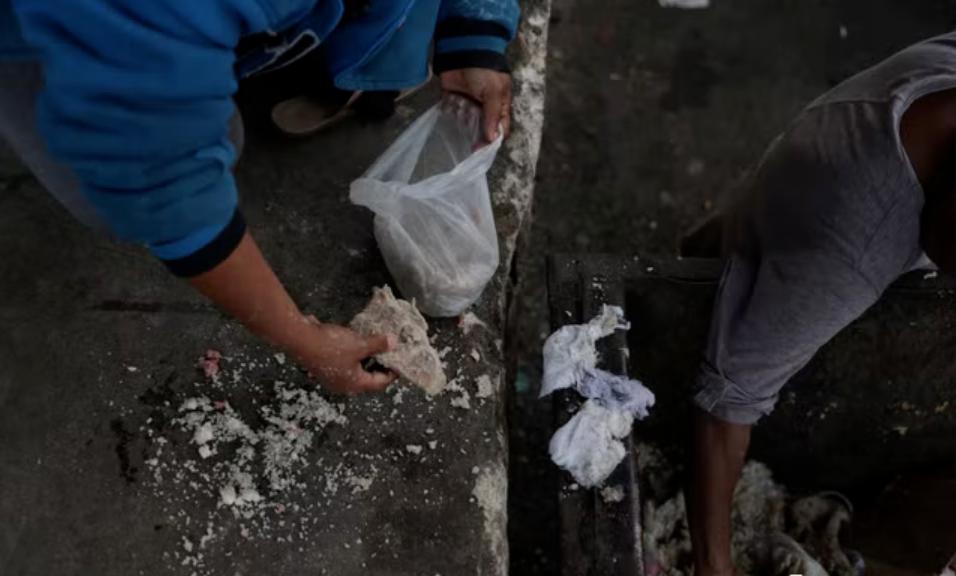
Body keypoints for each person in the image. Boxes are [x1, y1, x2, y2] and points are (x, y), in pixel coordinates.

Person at [0, 0, 519, 394]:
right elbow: (164, 183)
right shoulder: (131, 24)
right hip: (67, 32)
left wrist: (474, 35)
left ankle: (355, 70)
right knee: (137, 177)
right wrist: (301, 338)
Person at [683, 32, 956, 575]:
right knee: (729, 340)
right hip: (833, 198)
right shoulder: (852, 247)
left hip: (818, 155)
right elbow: (722, 410)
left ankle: (710, 251)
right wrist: (715, 566)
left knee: (737, 242)